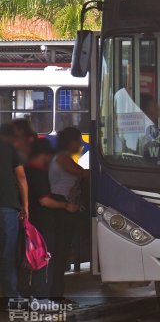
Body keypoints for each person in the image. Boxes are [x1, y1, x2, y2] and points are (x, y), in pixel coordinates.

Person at [24, 138, 79, 300]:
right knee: (44, 262)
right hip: (43, 224)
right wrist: (65, 206)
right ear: (45, 154)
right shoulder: (39, 173)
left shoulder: (26, 170)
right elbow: (44, 200)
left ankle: (35, 294)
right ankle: (42, 297)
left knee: (33, 261)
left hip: (33, 222)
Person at [49, 127, 88, 301]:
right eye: (78, 140)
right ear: (70, 142)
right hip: (61, 208)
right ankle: (56, 294)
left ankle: (57, 292)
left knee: (62, 251)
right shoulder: (62, 158)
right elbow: (83, 173)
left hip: (65, 207)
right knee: (60, 251)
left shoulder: (63, 157)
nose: (80, 144)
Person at [0, 124, 29, 308]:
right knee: (7, 253)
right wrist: (25, 205)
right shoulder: (10, 149)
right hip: (7, 207)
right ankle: (10, 296)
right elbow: (21, 178)